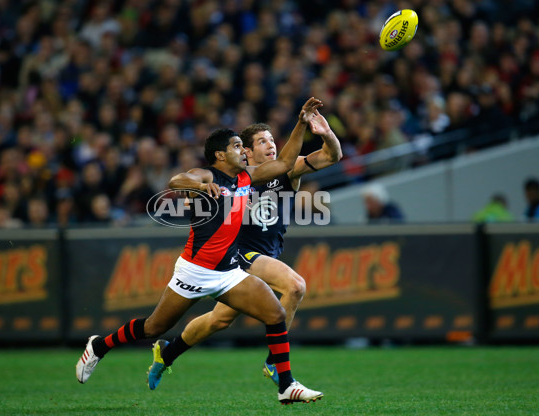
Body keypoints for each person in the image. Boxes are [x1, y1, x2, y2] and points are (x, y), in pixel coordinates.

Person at [76, 97, 325, 404]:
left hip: (229, 271)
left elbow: (285, 164)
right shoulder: (209, 175)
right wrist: (195, 186)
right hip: (196, 270)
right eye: (236, 146)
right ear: (220, 155)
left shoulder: (247, 176)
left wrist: (301, 123)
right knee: (154, 327)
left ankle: (285, 386)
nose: (242, 151)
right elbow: (177, 179)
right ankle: (99, 346)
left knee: (275, 313)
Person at [151, 112, 342, 387]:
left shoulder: (288, 169)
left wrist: (325, 132)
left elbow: (332, 156)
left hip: (265, 255)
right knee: (295, 286)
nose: (271, 145)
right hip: (239, 253)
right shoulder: (236, 177)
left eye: (272, 139)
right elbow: (190, 188)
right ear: (247, 152)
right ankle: (275, 364)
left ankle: (166, 353)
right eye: (263, 141)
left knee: (218, 321)